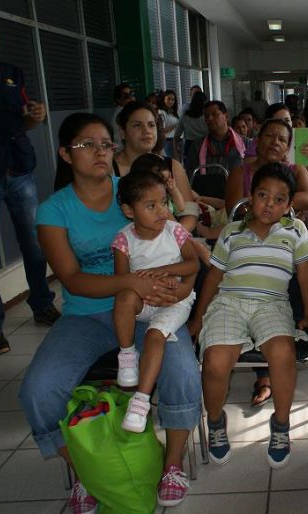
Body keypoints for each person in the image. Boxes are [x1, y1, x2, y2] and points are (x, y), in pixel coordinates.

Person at [21, 113, 201, 511]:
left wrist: (183, 285)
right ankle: (88, 474)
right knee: (38, 389)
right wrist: (130, 283)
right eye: (88, 145)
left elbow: (179, 230)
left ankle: (171, 466)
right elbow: (71, 278)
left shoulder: (136, 191)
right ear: (66, 154)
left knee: (182, 371)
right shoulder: (55, 210)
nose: (101, 152)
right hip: (86, 314)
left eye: (105, 144)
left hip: (154, 307)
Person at [189, 162, 308, 467]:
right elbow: (213, 277)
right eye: (263, 195)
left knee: (283, 355)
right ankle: (217, 422)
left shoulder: (294, 230)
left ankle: (282, 425)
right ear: (250, 196)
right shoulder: (232, 233)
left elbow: (306, 276)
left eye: (279, 199)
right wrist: (197, 317)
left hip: (272, 304)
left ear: (288, 205)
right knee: (216, 361)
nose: (269, 204)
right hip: (229, 303)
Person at [0, 7, 59, 355]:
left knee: (34, 243)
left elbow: (24, 120)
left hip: (19, 171)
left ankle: (42, 304)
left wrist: (34, 117)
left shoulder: (11, 73)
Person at [112, 168, 199, 432]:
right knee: (125, 298)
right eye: (151, 205)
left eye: (164, 202)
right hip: (142, 299)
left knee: (154, 337)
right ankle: (127, 355)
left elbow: (193, 264)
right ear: (129, 211)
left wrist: (165, 273)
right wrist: (145, 288)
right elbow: (122, 280)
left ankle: (140, 401)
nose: (162, 211)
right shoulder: (123, 240)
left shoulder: (175, 232)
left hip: (174, 301)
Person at [108, 101, 198, 232]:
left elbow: (190, 214)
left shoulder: (172, 166)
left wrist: (172, 238)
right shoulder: (109, 169)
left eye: (151, 125)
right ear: (122, 132)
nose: (147, 131)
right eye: (137, 125)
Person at [187, 100, 245, 185]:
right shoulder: (197, 145)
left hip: (238, 193)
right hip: (207, 194)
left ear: (226, 116)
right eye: (207, 116)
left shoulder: (245, 143)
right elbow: (190, 176)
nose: (210, 118)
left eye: (214, 114)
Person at [174, 91, 208, 167]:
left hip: (189, 145)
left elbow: (177, 135)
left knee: (190, 169)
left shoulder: (185, 116)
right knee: (205, 167)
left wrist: (176, 148)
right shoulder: (206, 116)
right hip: (205, 144)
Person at [158, 89, 180, 159]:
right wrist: (176, 125)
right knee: (170, 162)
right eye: (168, 99)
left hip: (178, 140)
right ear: (164, 99)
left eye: (173, 100)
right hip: (168, 140)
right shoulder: (161, 112)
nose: (171, 101)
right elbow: (162, 130)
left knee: (179, 163)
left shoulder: (174, 112)